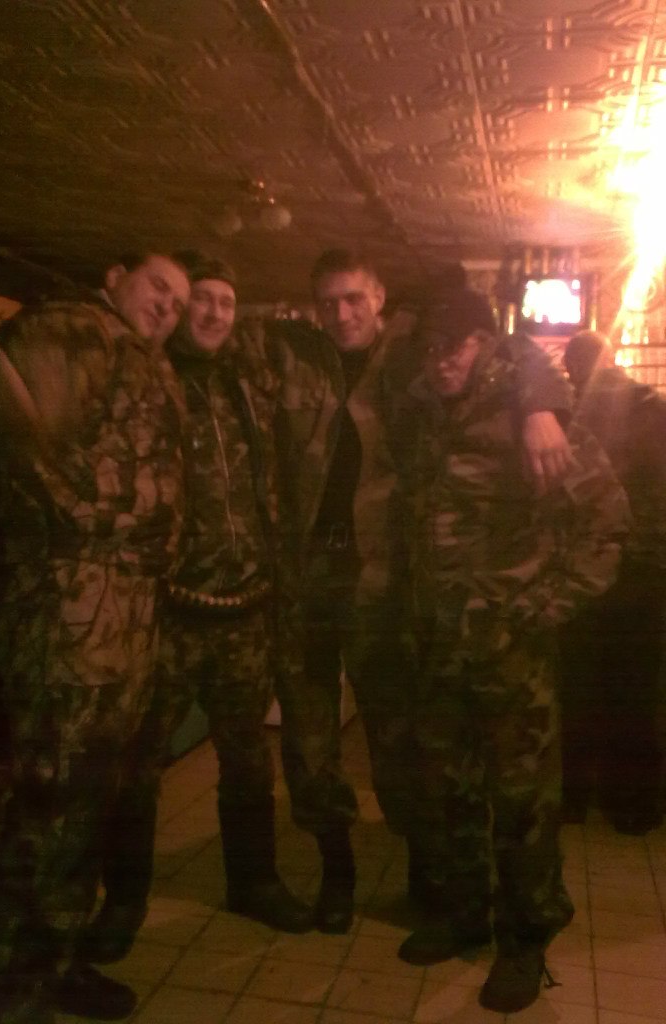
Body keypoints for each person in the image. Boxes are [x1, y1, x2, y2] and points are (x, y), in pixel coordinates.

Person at [264, 249, 578, 934]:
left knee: (400, 742)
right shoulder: (295, 357)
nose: (341, 313)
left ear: (379, 296)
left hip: (386, 584)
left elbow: (508, 349)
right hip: (309, 582)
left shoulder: (412, 355)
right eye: (328, 302)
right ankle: (338, 873)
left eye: (353, 298)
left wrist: (541, 404)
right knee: (310, 745)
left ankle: (428, 873)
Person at [0, 250, 190, 1024]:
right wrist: (122, 524)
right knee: (52, 799)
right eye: (159, 287)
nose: (169, 306)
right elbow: (27, 466)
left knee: (83, 803)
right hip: (71, 617)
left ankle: (45, 961)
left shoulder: (141, 360)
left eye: (180, 301)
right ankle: (13, 987)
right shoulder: (70, 331)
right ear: (115, 275)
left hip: (118, 621)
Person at [390, 292, 629, 1012]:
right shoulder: (425, 416)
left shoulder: (533, 419)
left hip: (510, 653)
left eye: (454, 346)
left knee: (523, 804)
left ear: (485, 343)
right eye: (430, 349)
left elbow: (607, 523)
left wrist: (540, 608)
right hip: (439, 645)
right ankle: (466, 914)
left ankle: (525, 939)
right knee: (451, 793)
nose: (440, 362)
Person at [79, 253, 311, 970]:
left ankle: (254, 882)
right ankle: (123, 902)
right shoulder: (146, 375)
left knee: (248, 760)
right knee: (137, 765)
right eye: (197, 300)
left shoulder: (251, 379)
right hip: (168, 611)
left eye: (224, 302)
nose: (211, 313)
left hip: (246, 607)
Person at [560, 329, 666, 832]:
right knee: (636, 691)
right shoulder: (654, 408)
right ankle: (633, 807)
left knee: (577, 687)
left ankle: (573, 797)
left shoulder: (568, 417)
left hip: (582, 572)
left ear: (573, 367)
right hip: (644, 571)